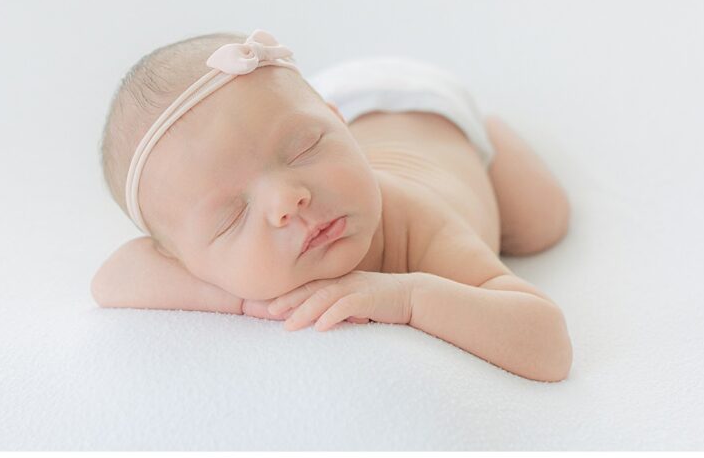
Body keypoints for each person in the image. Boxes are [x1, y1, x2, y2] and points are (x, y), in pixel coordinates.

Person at [93, 29, 573, 381]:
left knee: (540, 225)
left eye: (304, 149)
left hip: (432, 110)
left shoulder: (416, 221)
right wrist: (242, 300)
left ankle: (490, 130)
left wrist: (407, 298)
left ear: (337, 127)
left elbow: (548, 345)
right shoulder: (212, 255)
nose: (288, 199)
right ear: (185, 259)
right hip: (319, 98)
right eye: (232, 215)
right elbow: (109, 279)